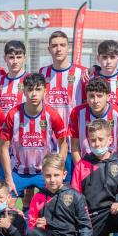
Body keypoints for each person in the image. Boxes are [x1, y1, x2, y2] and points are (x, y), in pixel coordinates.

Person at [0, 73, 68, 211]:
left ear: (45, 91)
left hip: (43, 171)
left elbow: (63, 143)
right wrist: (8, 177)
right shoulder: (13, 114)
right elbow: (4, 147)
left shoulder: (52, 114)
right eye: (30, 89)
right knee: (4, 207)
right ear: (23, 91)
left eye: (38, 89)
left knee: (55, 207)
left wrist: (57, 167)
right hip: (18, 171)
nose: (33, 94)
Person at [26, 154, 92, 236]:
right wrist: (37, 225)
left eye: (56, 175)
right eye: (48, 176)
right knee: (31, 233)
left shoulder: (76, 196)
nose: (52, 179)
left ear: (64, 174)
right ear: (43, 175)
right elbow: (31, 223)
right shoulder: (38, 197)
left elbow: (86, 226)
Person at [39, 31, 88, 177]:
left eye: (62, 45)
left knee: (76, 182)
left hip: (74, 138)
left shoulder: (82, 72)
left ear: (68, 48)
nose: (58, 49)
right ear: (49, 49)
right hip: (49, 138)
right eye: (54, 46)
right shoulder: (43, 72)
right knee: (49, 183)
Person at [69, 78, 118, 165]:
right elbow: (75, 146)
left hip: (111, 164)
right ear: (86, 96)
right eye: (91, 96)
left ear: (108, 97)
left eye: (99, 96)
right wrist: (80, 169)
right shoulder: (77, 113)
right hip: (86, 164)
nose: (95, 101)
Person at [0, 40, 28, 114]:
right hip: (4, 125)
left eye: (19, 57)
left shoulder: (30, 79)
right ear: (5, 58)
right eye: (11, 57)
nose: (15, 61)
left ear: (24, 58)